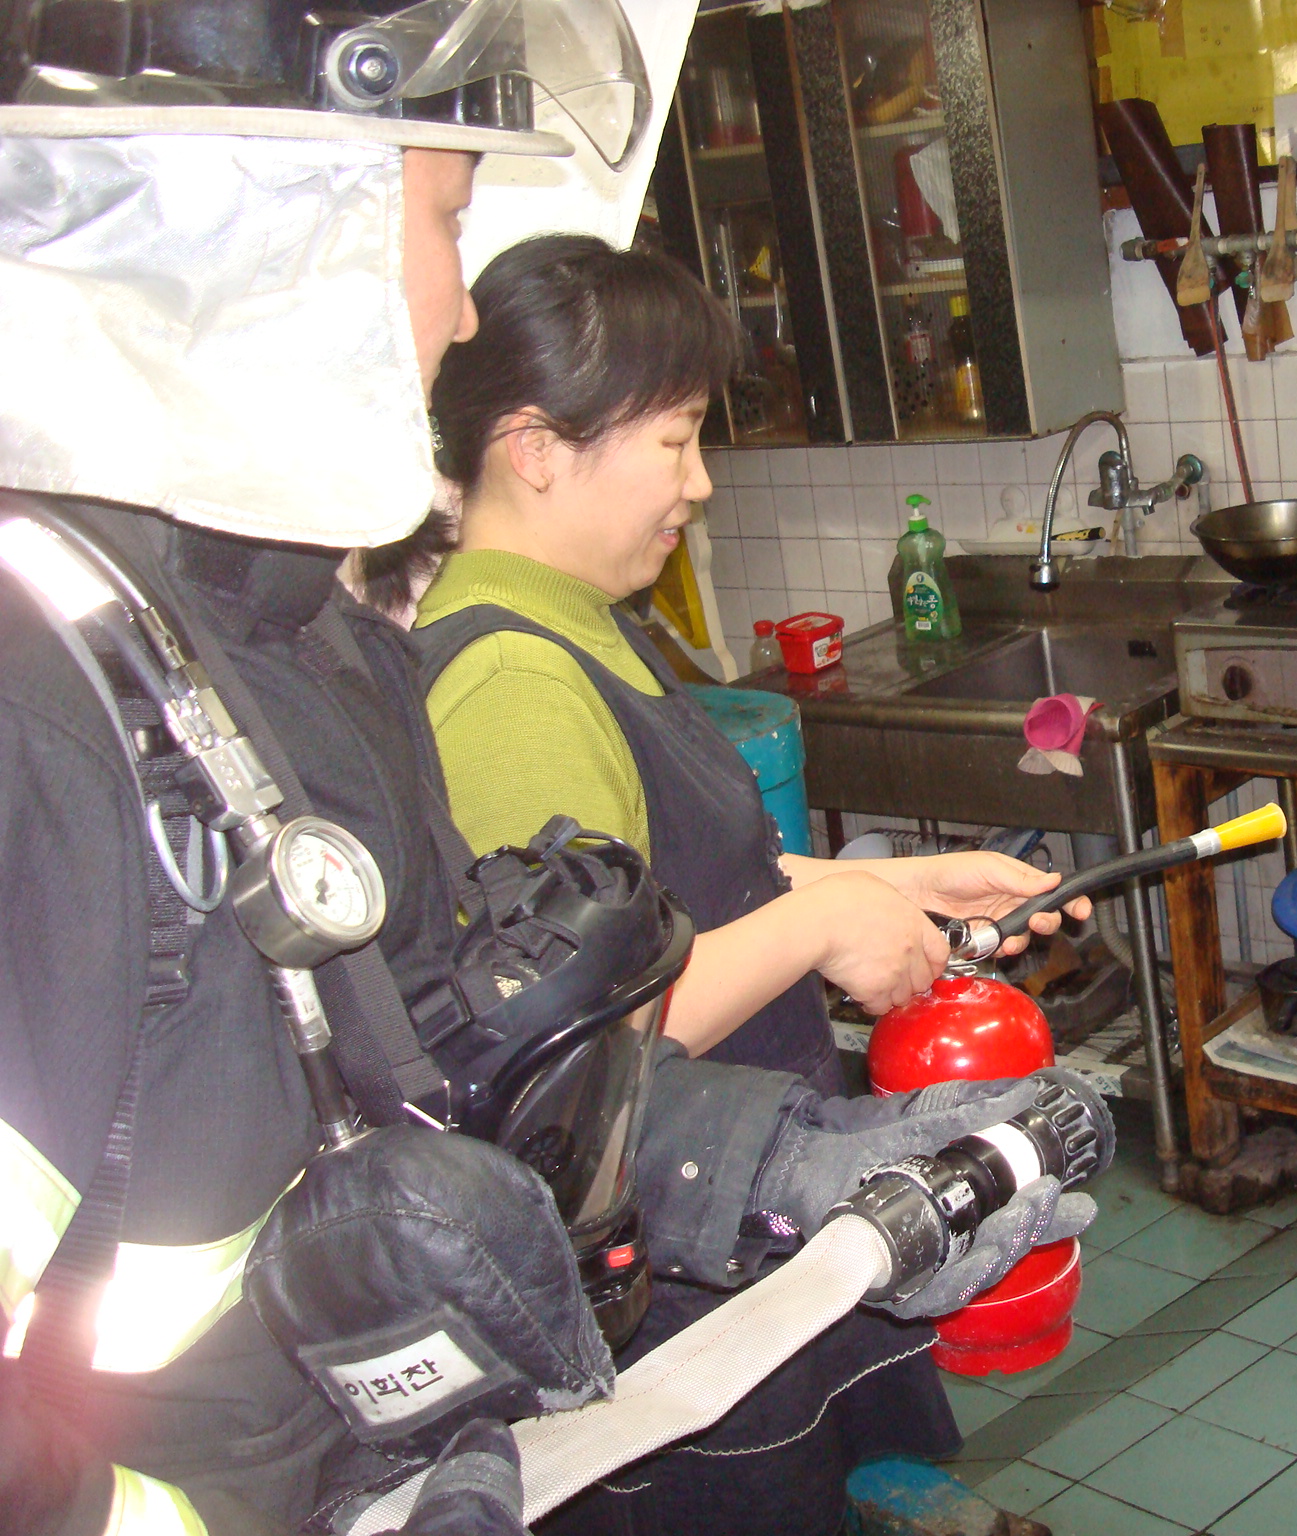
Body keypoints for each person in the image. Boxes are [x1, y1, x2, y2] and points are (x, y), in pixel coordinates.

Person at [0, 8, 1089, 1536]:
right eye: (444, 222)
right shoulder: (40, 717)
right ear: (241, 223)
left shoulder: (297, 649)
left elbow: (459, 1057)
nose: (458, 318)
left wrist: (781, 1163)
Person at [386, 233, 1094, 1535]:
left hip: (738, 1210)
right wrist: (823, 922)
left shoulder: (580, 621)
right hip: (666, 1274)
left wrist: (908, 884)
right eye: (675, 442)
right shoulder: (507, 682)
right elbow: (573, 1054)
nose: (699, 484)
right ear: (535, 448)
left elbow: (680, 888)